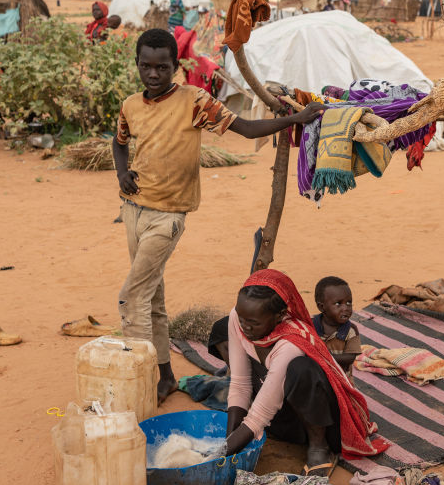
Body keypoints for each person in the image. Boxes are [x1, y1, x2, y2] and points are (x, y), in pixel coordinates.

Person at [112, 29, 325, 406]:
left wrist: (296, 118)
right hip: (134, 211)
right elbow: (119, 141)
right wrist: (122, 172)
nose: (154, 74)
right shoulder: (130, 104)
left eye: (162, 67)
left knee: (132, 299)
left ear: (175, 68)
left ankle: (138, 385)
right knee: (152, 298)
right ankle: (164, 378)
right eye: (146, 66)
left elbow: (244, 128)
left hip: (168, 217)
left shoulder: (194, 101)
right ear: (138, 66)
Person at [223, 270, 387, 476]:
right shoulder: (237, 318)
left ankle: (319, 448)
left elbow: (258, 417)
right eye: (242, 317)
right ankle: (242, 438)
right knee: (219, 333)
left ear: (280, 316)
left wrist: (218, 454)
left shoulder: (292, 342)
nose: (244, 326)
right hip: (287, 419)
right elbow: (240, 383)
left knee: (301, 369)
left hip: (328, 426)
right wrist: (228, 441)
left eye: (254, 323)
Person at [313, 276, 362, 375]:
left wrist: (329, 358)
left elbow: (350, 357)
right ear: (321, 307)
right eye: (338, 304)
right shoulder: (311, 326)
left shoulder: (351, 330)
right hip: (317, 376)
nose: (345, 308)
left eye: (349, 303)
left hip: (341, 380)